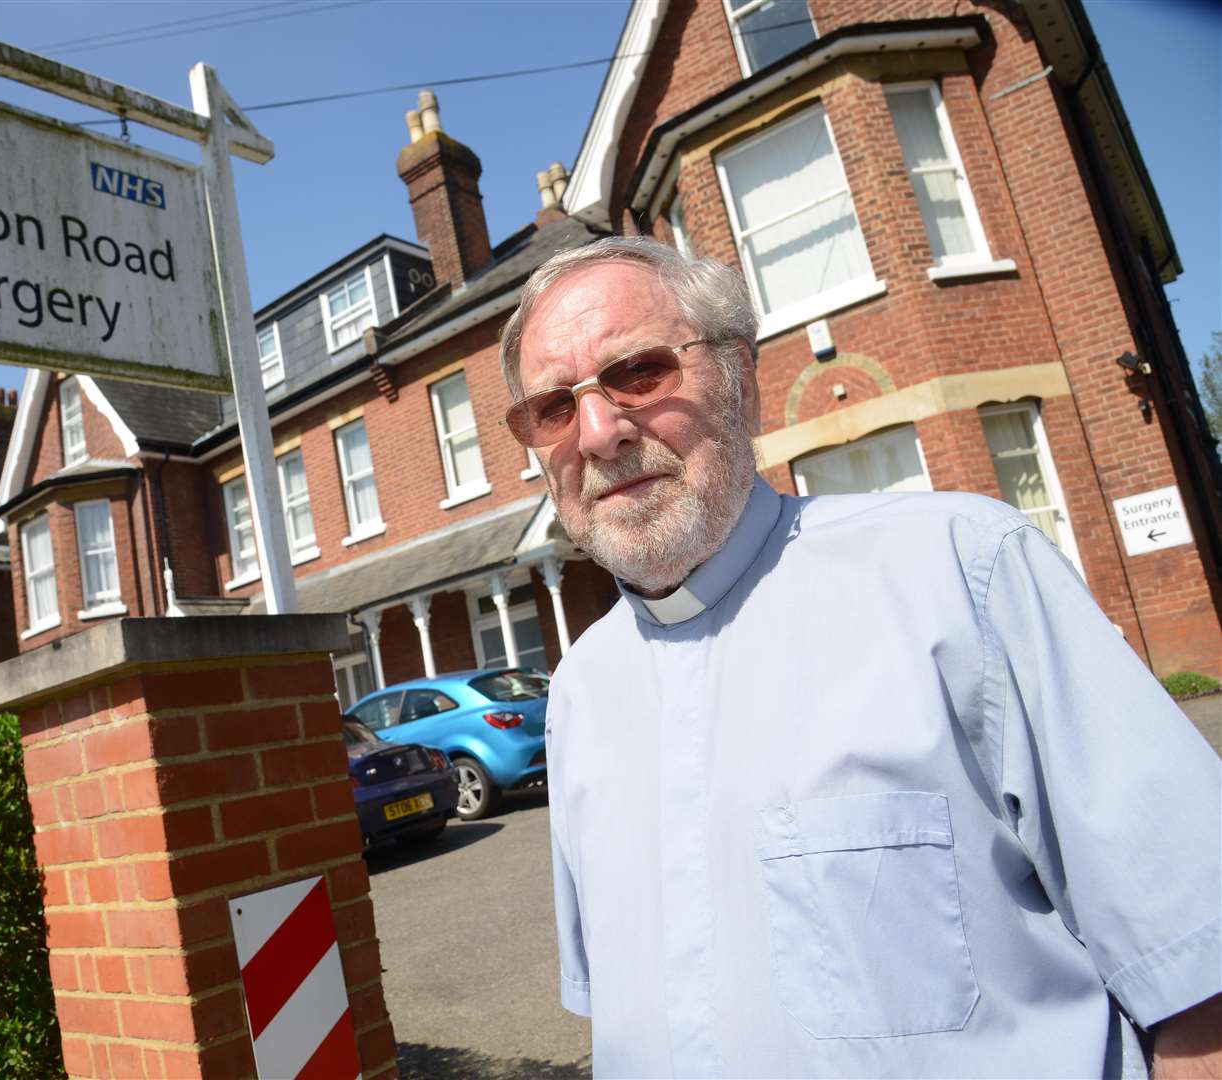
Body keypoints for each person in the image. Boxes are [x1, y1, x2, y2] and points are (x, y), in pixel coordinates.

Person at [496, 236, 1222, 1078]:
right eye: (553, 408)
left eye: (640, 372)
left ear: (740, 379)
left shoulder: (962, 574)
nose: (598, 432)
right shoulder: (580, 694)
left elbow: (1197, 975)